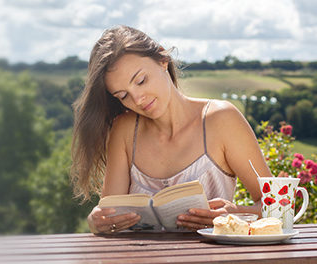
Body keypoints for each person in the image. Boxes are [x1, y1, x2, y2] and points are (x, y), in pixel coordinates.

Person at [71, 25, 273, 234]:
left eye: (141, 80)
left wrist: (235, 214)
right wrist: (97, 221)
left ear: (162, 59)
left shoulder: (222, 119)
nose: (137, 99)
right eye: (123, 96)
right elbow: (109, 213)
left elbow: (278, 205)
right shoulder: (123, 130)